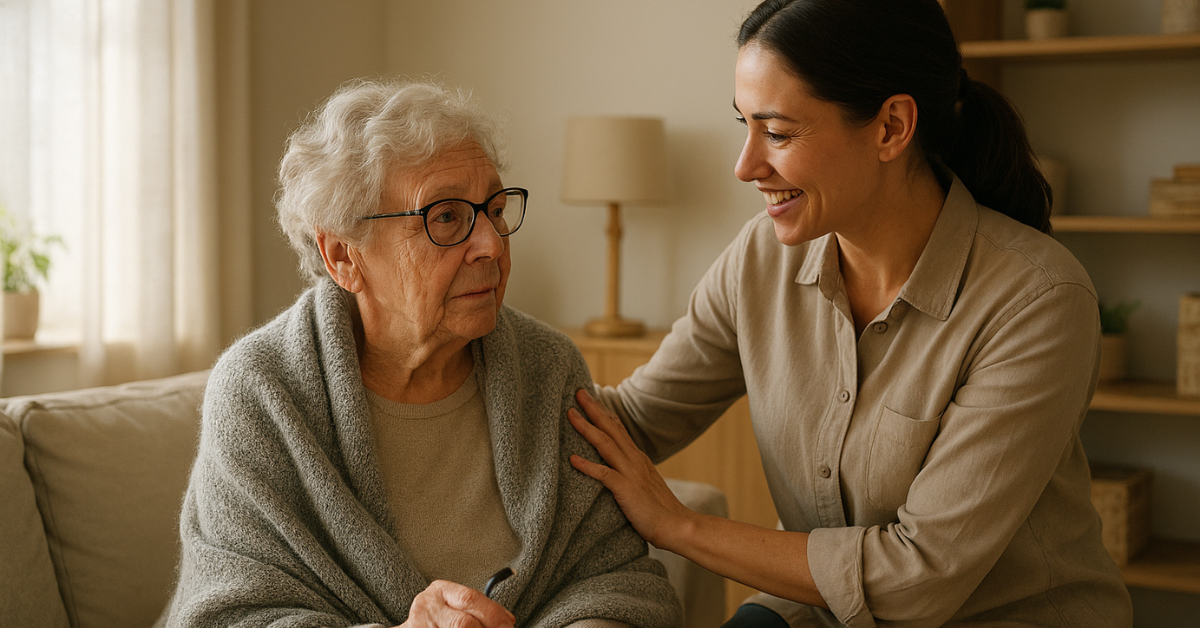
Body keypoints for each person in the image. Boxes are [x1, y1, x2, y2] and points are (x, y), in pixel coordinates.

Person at [567, 1, 1132, 626]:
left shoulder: (1039, 301)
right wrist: (463, 360)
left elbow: (918, 577)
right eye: (745, 126)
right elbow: (632, 419)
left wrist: (679, 526)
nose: (745, 166)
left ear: (891, 126)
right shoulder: (760, 257)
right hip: (812, 612)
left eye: (777, 133)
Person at [164, 78, 681, 628]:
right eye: (446, 218)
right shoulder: (262, 391)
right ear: (343, 256)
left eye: (495, 209)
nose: (491, 245)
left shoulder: (546, 367)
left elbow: (615, 577)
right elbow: (230, 614)